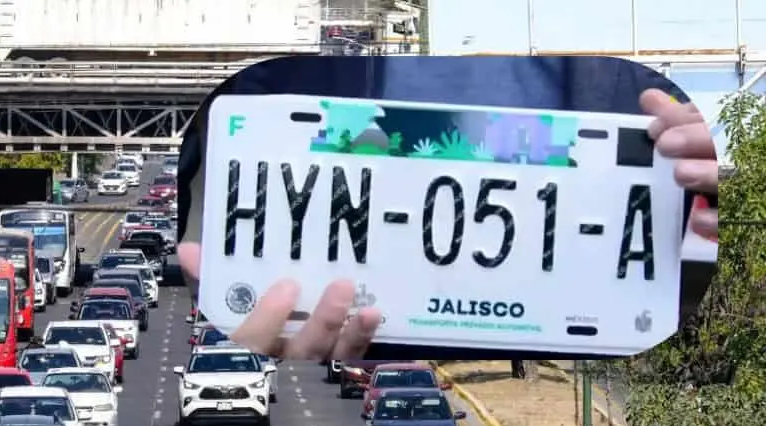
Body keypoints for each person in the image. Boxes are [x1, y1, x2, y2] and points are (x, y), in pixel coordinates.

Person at [174, 58, 720, 362]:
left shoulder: (633, 82)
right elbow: (212, 179)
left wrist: (715, 191)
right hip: (339, 320)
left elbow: (674, 238)